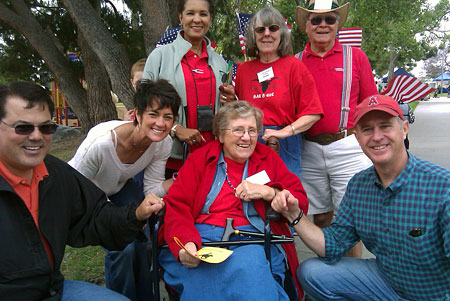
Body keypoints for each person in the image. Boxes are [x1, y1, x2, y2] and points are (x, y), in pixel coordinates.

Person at [271, 94, 450, 300]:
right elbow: (333, 244)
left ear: (404, 129)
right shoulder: (358, 185)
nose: (376, 136)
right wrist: (295, 215)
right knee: (311, 272)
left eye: (385, 126)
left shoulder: (442, 187)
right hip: (385, 282)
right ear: (357, 137)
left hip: (434, 293)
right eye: (367, 129)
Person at [0, 81, 164, 300]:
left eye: (46, 127)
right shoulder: (100, 144)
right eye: (23, 127)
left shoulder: (54, 173)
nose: (36, 136)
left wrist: (135, 215)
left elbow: (94, 216)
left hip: (51, 289)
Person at [159, 101, 308, 300]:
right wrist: (186, 244)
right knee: (204, 275)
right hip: (201, 238)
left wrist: (269, 192)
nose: (246, 137)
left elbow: (300, 201)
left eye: (252, 131)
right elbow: (177, 205)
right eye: (238, 130)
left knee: (251, 265)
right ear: (220, 135)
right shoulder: (201, 159)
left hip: (251, 238)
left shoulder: (268, 159)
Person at [69, 79, 181, 300]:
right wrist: (112, 219)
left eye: (168, 117)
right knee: (123, 249)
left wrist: (175, 182)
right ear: (137, 114)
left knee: (143, 241)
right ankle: (120, 296)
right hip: (86, 196)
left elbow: (150, 187)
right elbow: (76, 189)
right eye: (153, 114)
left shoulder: (162, 143)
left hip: (120, 187)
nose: (160, 123)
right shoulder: (101, 144)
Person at [294, 0, 377, 256]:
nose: (323, 25)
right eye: (316, 20)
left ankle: (351, 286)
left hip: (347, 145)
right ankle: (328, 281)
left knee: (351, 221)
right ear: (306, 26)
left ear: (337, 24)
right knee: (320, 217)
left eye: (329, 19)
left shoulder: (356, 57)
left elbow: (370, 105)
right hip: (307, 148)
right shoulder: (295, 62)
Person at [228, 6, 323, 179]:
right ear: (252, 35)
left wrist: (284, 132)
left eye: (273, 28)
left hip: (285, 143)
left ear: (282, 33)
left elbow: (313, 113)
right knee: (252, 198)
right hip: (250, 143)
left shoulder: (294, 66)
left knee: (284, 198)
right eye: (260, 29)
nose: (266, 33)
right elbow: (239, 112)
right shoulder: (244, 70)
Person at [142, 0, 229, 175]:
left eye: (203, 14)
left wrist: (230, 100)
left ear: (210, 19)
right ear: (181, 17)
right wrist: (176, 128)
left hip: (212, 155)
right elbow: (144, 105)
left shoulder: (220, 62)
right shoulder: (159, 56)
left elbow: (225, 107)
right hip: (170, 158)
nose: (197, 19)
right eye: (191, 13)